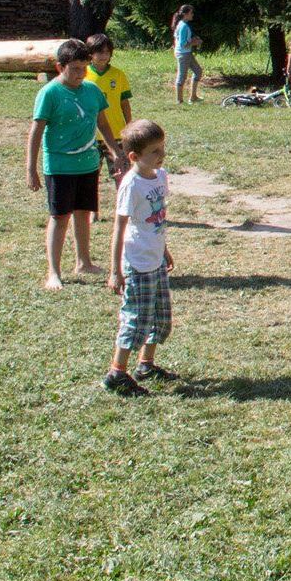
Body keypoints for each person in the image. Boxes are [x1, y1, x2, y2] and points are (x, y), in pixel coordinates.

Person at [27, 39, 127, 290]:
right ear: (60, 67)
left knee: (83, 213)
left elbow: (103, 124)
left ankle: (84, 262)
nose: (80, 74)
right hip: (60, 166)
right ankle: (54, 272)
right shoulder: (49, 93)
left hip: (87, 163)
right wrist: (31, 168)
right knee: (60, 217)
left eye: (83, 68)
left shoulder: (92, 90)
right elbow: (36, 131)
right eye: (74, 69)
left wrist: (116, 152)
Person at [103, 120, 176, 396]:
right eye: (155, 151)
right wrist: (114, 271)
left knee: (160, 316)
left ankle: (145, 364)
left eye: (162, 148)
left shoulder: (159, 176)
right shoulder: (131, 185)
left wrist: (164, 248)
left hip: (155, 258)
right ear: (134, 157)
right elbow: (119, 227)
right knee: (136, 319)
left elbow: (156, 220)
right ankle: (116, 373)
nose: (161, 155)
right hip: (137, 263)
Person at [86, 33, 134, 215]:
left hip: (116, 134)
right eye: (99, 52)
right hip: (91, 136)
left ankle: (124, 210)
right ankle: (93, 212)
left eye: (107, 52)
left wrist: (130, 127)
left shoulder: (118, 75)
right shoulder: (83, 74)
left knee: (122, 175)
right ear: (90, 53)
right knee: (90, 177)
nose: (104, 56)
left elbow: (124, 104)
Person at [172, 4, 202, 104]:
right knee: (182, 76)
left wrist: (193, 39)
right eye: (191, 13)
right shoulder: (184, 26)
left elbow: (181, 40)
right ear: (185, 14)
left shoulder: (181, 24)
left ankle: (193, 97)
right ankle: (179, 100)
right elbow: (183, 44)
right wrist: (195, 42)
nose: (192, 14)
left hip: (186, 53)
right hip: (183, 54)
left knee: (198, 71)